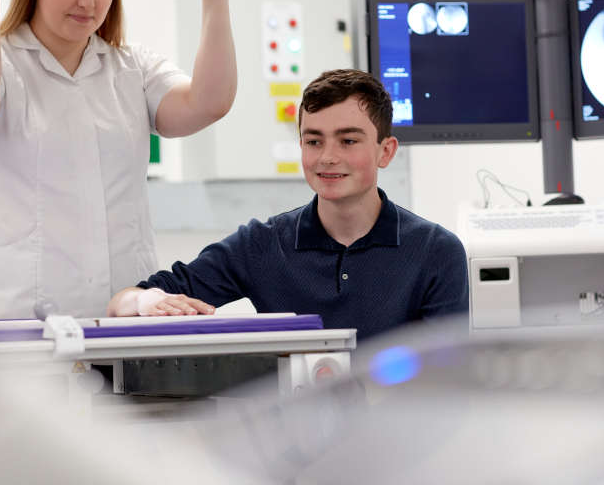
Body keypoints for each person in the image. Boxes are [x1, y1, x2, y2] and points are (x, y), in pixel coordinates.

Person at [0, 0, 237, 321]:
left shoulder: (132, 68)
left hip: (117, 315)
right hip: (6, 315)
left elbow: (210, 103)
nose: (87, 3)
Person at [107, 69, 468, 340]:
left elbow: (447, 384)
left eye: (348, 141)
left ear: (385, 151)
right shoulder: (262, 245)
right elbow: (125, 302)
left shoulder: (436, 252)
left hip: (399, 434)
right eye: (314, 141)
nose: (327, 157)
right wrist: (144, 302)